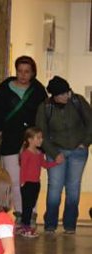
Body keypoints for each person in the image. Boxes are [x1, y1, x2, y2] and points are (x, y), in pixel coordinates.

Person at [36, 75, 92, 234]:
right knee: (54, 187)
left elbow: (90, 123)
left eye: (68, 92)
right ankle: (50, 224)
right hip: (56, 150)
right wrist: (53, 153)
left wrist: (85, 142)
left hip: (78, 151)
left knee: (73, 188)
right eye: (62, 94)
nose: (67, 96)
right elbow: (42, 133)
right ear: (54, 95)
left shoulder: (78, 101)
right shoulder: (45, 107)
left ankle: (70, 225)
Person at [0, 56, 48, 216]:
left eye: (27, 72)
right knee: (14, 181)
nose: (23, 75)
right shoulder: (5, 88)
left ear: (33, 73)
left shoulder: (38, 91)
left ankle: (31, 213)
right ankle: (19, 212)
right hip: (10, 139)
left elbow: (42, 116)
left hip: (31, 140)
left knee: (31, 180)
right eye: (20, 71)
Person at [17, 126, 60, 237]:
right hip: (27, 184)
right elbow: (23, 169)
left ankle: (25, 226)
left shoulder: (39, 153)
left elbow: (45, 165)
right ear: (30, 140)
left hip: (36, 183)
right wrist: (22, 182)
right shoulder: (26, 153)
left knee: (30, 205)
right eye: (38, 138)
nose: (41, 140)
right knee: (26, 206)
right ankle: (25, 227)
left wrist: (56, 162)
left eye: (41, 138)